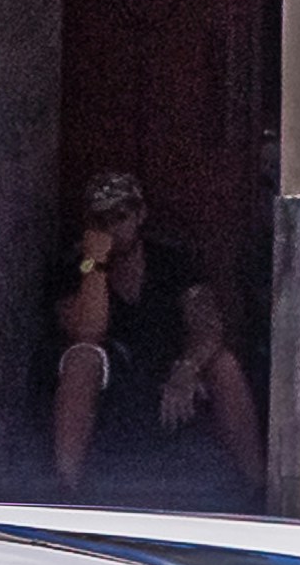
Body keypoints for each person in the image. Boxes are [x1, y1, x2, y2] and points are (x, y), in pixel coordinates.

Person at [51, 167, 262, 497]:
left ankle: (256, 486)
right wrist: (95, 263)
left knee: (223, 364)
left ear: (139, 215)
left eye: (121, 216)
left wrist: (187, 368)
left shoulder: (170, 260)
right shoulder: (76, 265)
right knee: (81, 359)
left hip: (168, 370)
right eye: (102, 219)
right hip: (113, 374)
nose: (113, 227)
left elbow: (207, 325)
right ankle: (66, 488)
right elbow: (87, 331)